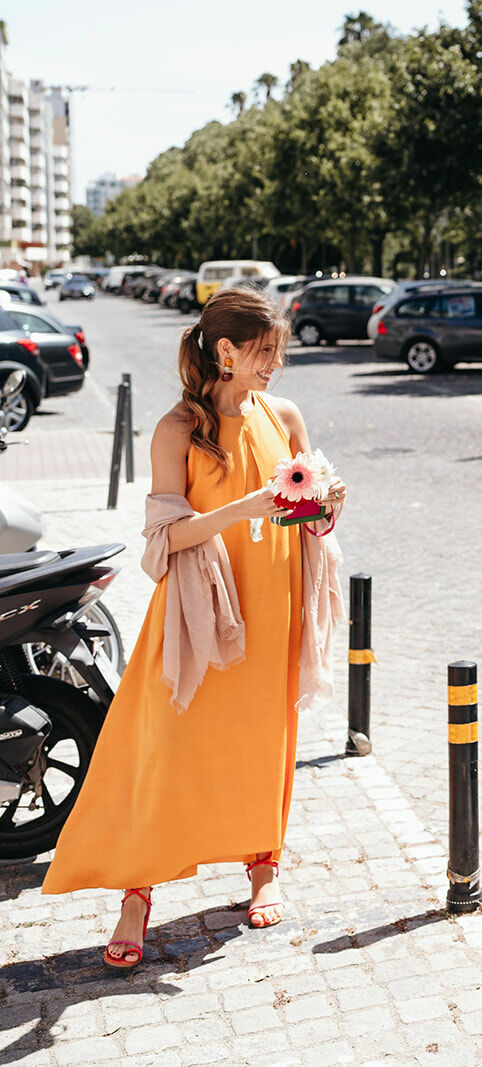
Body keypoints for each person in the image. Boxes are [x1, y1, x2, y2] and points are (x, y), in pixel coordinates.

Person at [41, 287, 347, 969]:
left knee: (265, 735)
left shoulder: (283, 413)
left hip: (274, 599)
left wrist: (324, 507)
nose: (274, 366)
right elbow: (163, 538)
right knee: (166, 741)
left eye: (278, 353)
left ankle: (264, 861)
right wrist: (244, 506)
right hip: (198, 609)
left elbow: (300, 520)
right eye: (264, 353)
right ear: (226, 349)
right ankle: (136, 891)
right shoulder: (177, 427)